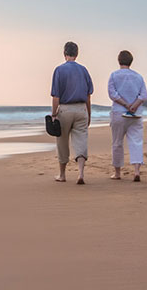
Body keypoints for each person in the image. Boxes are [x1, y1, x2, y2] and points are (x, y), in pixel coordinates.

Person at [50, 41, 94, 185]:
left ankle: (62, 174)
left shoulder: (59, 70)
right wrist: (89, 113)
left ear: (64, 53)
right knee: (81, 141)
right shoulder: (84, 70)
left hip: (65, 109)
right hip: (81, 109)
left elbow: (55, 96)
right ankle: (80, 173)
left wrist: (54, 114)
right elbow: (88, 95)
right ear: (77, 54)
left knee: (62, 142)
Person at [107, 50, 147, 182]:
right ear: (131, 61)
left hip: (119, 112)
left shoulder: (114, 75)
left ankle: (117, 172)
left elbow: (113, 94)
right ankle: (136, 171)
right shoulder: (138, 77)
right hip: (136, 113)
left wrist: (125, 104)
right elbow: (144, 95)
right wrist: (134, 105)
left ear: (119, 61)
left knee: (117, 142)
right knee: (136, 141)